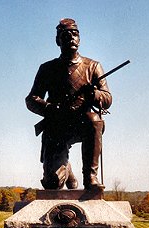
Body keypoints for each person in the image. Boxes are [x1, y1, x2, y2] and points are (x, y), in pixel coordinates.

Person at [25, 18, 112, 190]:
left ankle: (90, 176)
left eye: (75, 34)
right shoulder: (47, 68)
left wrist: (94, 94)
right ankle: (66, 170)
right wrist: (51, 109)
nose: (71, 37)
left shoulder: (93, 66)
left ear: (79, 39)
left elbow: (107, 99)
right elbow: (31, 99)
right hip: (57, 125)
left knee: (94, 120)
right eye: (65, 35)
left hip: (83, 123)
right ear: (57, 40)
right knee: (52, 184)